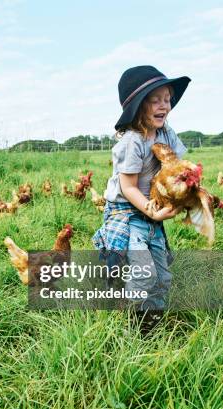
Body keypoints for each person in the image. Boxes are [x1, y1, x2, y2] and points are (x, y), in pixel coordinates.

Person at [92, 65, 191, 333]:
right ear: (138, 106)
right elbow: (128, 186)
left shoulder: (167, 135)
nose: (164, 106)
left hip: (151, 211)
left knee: (162, 276)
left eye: (167, 99)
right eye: (155, 99)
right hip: (128, 211)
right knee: (143, 273)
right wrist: (151, 209)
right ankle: (131, 328)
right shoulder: (132, 142)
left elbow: (176, 166)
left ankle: (151, 324)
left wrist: (188, 186)